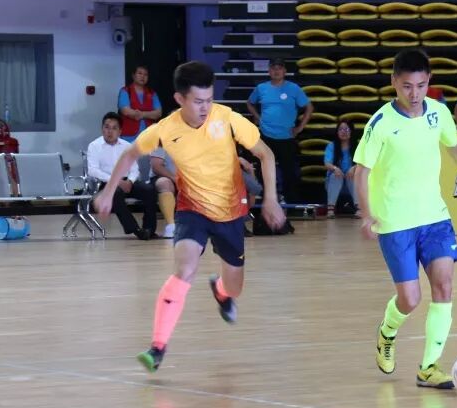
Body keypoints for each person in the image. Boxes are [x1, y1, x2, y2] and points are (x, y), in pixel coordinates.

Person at [92, 61, 286, 372]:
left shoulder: (227, 119)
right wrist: (108, 191)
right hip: (192, 208)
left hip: (230, 212)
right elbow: (130, 154)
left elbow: (266, 153)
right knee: (184, 270)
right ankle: (157, 347)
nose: (205, 107)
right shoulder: (165, 129)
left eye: (209, 99)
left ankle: (221, 290)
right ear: (180, 99)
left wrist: (271, 199)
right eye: (198, 101)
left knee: (235, 288)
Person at [353, 48, 457, 389]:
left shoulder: (439, 113)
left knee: (444, 285)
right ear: (394, 83)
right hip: (395, 222)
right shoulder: (380, 123)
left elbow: (454, 147)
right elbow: (361, 171)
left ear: (429, 82)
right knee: (410, 299)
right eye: (407, 87)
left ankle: (428, 367)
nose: (414, 94)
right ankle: (387, 331)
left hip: (434, 217)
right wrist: (367, 214)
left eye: (421, 86)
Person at [245, 58, 312, 202]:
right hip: (266, 136)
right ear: (269, 71)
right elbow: (250, 103)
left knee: (289, 173)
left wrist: (300, 127)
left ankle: (291, 203)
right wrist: (257, 117)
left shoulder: (294, 88)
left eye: (279, 68)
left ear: (284, 71)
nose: (276, 71)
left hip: (286, 137)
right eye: (273, 68)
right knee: (264, 171)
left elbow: (309, 107)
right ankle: (267, 200)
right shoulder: (261, 88)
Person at [86, 112, 158, 240]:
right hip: (106, 183)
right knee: (116, 193)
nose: (110, 131)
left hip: (127, 182)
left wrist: (130, 181)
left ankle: (149, 229)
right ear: (102, 129)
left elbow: (135, 169)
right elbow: (93, 170)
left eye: (114, 128)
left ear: (120, 131)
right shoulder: (94, 146)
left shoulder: (127, 146)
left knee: (149, 190)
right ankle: (135, 229)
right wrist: (116, 182)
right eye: (107, 127)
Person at [119, 65, 163, 180]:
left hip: (148, 137)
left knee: (147, 169)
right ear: (133, 75)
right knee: (129, 168)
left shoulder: (152, 93)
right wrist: (148, 114)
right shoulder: (125, 91)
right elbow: (125, 110)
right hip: (129, 137)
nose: (143, 76)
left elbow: (158, 113)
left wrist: (141, 114)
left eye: (145, 74)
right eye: (140, 73)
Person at [323, 121, 359, 218]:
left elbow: (364, 162)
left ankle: (359, 208)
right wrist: (335, 168)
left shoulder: (358, 146)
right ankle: (330, 209)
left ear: (351, 131)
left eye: (346, 129)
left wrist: (354, 168)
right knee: (336, 175)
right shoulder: (331, 146)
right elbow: (327, 163)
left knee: (354, 175)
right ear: (337, 132)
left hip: (352, 181)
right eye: (341, 129)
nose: (344, 132)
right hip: (334, 182)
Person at [147, 146, 178, 238]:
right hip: (167, 177)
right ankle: (171, 226)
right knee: (163, 183)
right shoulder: (161, 142)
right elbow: (156, 166)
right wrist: (175, 178)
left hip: (189, 178)